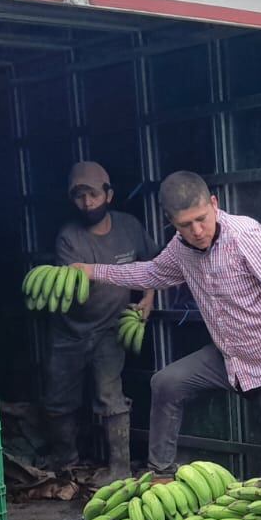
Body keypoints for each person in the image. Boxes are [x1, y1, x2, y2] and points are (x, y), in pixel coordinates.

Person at [70, 170, 261, 473]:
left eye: (202, 218)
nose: (198, 230)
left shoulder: (245, 237)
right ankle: (161, 474)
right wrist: (93, 270)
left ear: (214, 204)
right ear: (171, 222)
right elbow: (151, 273)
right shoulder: (180, 249)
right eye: (185, 225)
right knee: (166, 383)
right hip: (232, 358)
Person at [42, 161, 155, 482]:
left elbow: (153, 265)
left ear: (109, 193)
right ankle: (67, 465)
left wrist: (147, 297)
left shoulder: (129, 227)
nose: (87, 203)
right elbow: (73, 289)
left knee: (110, 395)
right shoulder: (69, 238)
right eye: (79, 197)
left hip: (111, 327)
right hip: (69, 331)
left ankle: (119, 468)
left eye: (92, 194)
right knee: (59, 399)